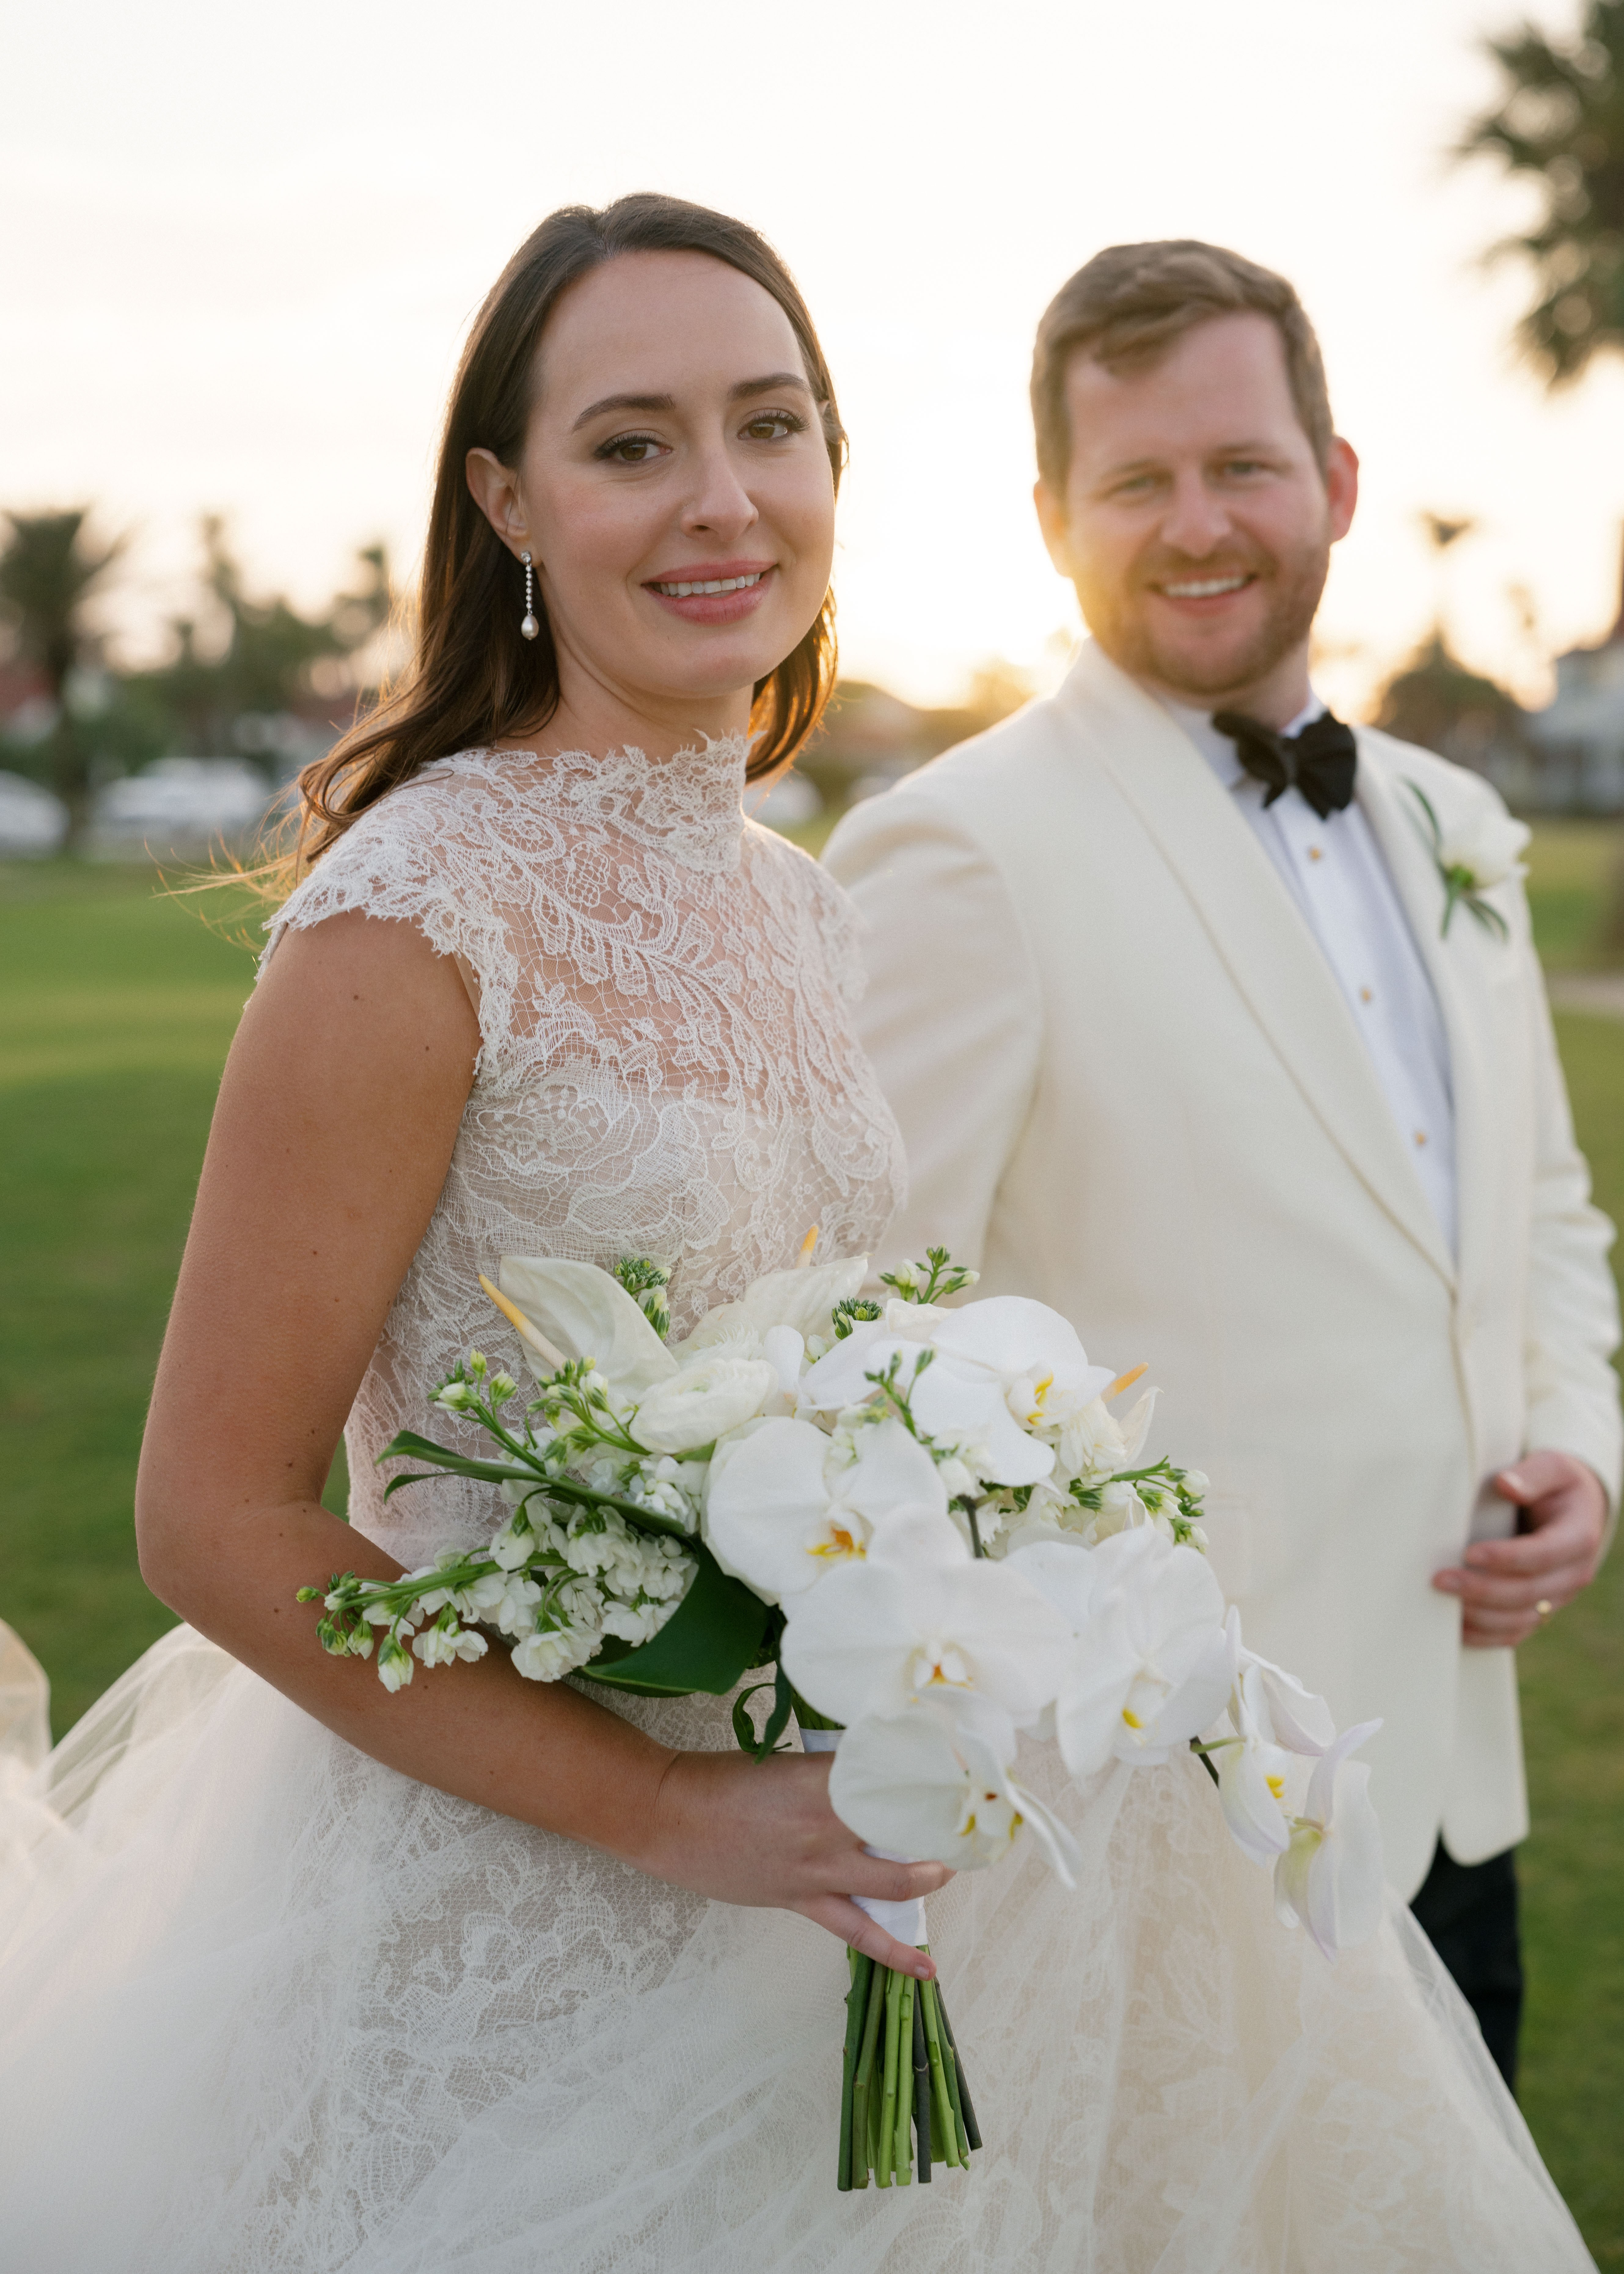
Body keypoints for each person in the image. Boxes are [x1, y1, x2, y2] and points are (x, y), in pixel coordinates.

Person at [0, 204, 1598, 2273]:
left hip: (817, 1870)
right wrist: (667, 1810)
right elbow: (212, 1516)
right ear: (507, 499)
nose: (723, 498)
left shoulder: (801, 901)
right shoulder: (414, 917)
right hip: (513, 1914)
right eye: (633, 441)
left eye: (772, 426)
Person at [824, 238, 1622, 2098]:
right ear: (1049, 520)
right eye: (1135, 482)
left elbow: (1538, 1216)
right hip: (1151, 1828)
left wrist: (1578, 1443)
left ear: (1332, 482)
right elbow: (858, 1341)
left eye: (1240, 465)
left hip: (1448, 1794)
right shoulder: (958, 848)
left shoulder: (1453, 820)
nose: (1197, 523)